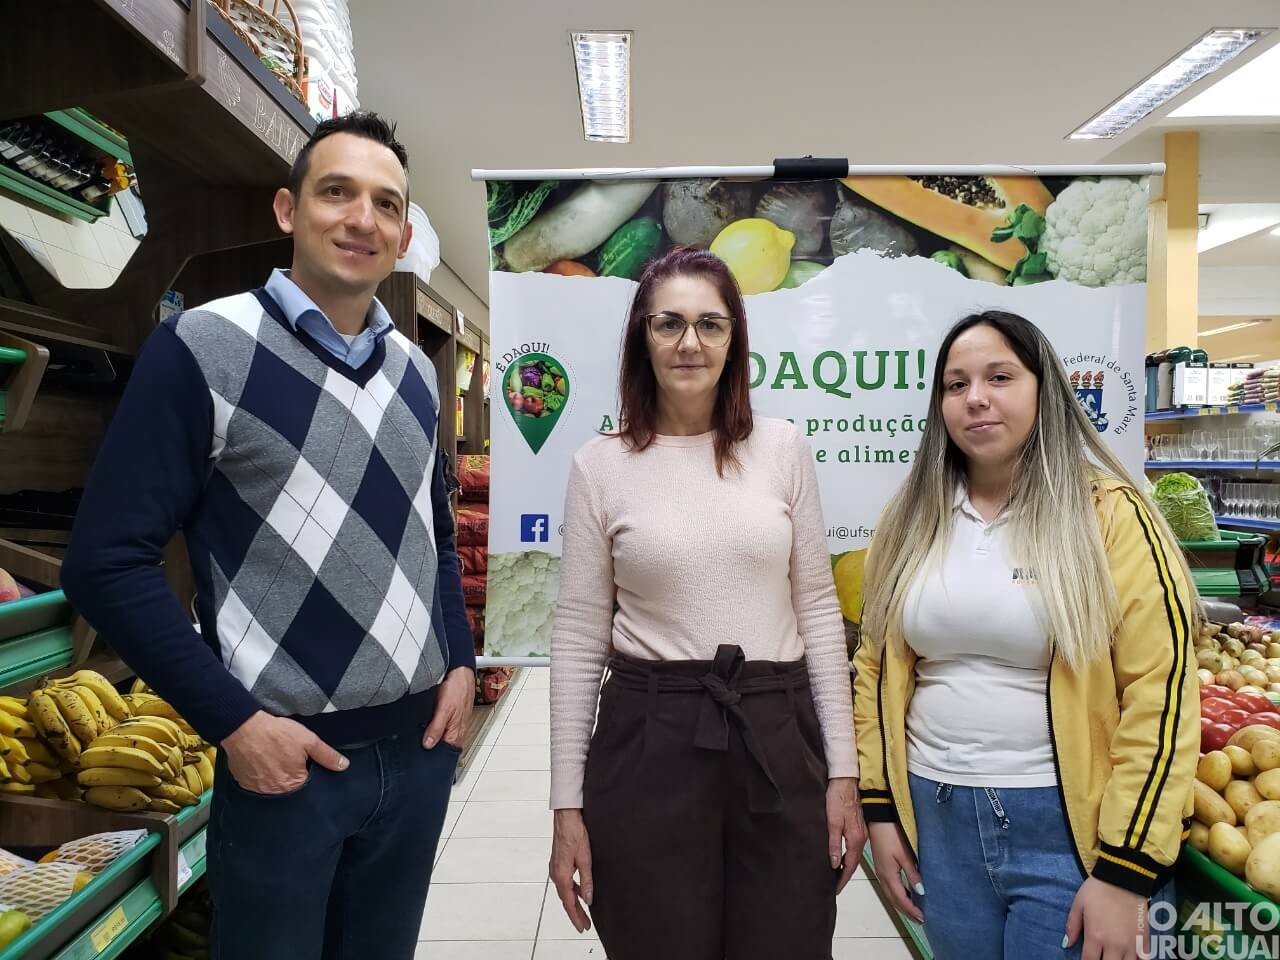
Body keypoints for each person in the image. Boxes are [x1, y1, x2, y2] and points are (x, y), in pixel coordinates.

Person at [60, 112, 475, 959]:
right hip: (286, 767)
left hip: (418, 756)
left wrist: (461, 659)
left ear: (402, 235)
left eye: (386, 204)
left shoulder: (416, 375)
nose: (362, 218)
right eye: (337, 192)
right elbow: (105, 564)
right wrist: (235, 724)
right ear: (288, 210)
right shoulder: (201, 347)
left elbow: (432, 532)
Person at [547, 245, 865, 960]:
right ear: (642, 337)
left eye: (710, 324)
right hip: (647, 735)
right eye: (669, 324)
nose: (690, 342)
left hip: (777, 737)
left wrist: (842, 774)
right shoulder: (599, 464)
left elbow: (818, 608)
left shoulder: (783, 450)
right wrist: (566, 804)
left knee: (788, 942)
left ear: (735, 339)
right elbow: (576, 636)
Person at [854, 310, 1199, 960]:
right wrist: (881, 809)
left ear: (1045, 391)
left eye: (1000, 376)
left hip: (1073, 829)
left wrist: (1127, 868)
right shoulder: (908, 519)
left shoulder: (1112, 516)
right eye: (955, 385)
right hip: (937, 818)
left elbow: (1161, 691)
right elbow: (874, 667)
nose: (975, 397)